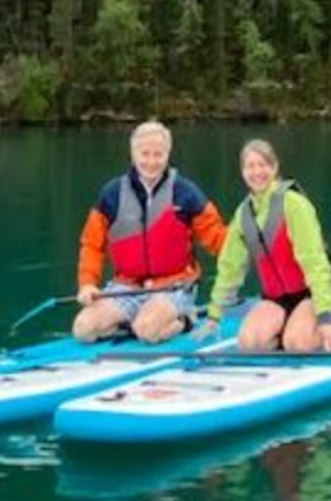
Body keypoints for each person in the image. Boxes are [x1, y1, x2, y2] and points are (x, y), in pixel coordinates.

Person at [203, 138, 331, 353]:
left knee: (298, 344)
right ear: (243, 171)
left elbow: (315, 261)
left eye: (263, 165)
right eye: (250, 166)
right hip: (277, 298)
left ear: (274, 168)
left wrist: (326, 316)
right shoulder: (243, 214)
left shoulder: (293, 203)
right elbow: (230, 267)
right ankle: (289, 329)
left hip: (312, 294)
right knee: (249, 343)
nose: (257, 172)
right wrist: (215, 313)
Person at [73, 120, 227, 344]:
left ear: (168, 154)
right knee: (83, 330)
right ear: (133, 153)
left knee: (146, 330)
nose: (151, 162)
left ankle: (185, 320)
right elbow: (92, 244)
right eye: (145, 154)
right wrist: (87, 283)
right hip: (126, 287)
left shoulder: (186, 193)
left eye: (158, 154)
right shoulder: (111, 194)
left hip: (175, 286)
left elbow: (217, 238)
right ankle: (135, 319)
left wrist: (245, 248)